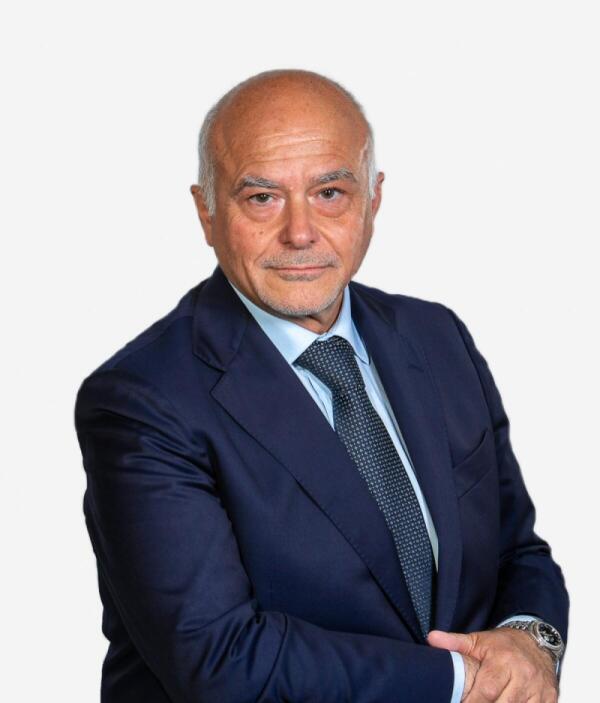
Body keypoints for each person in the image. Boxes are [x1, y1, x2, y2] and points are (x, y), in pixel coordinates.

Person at [74, 69, 569, 702]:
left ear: (373, 199)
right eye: (262, 198)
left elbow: (517, 551)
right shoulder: (143, 401)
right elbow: (219, 658)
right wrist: (468, 680)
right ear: (206, 211)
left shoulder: (437, 337)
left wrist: (530, 641)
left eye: (330, 192)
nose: (301, 232)